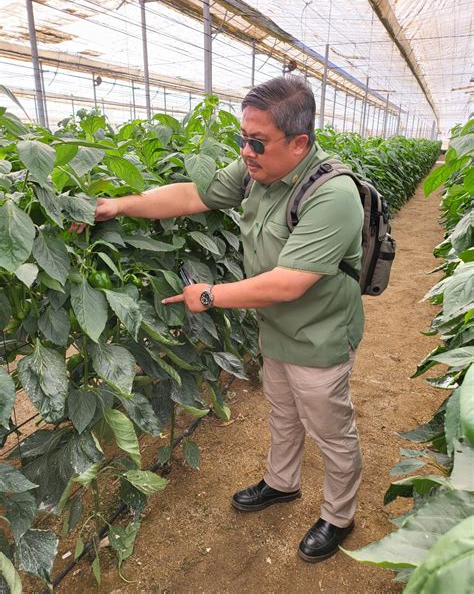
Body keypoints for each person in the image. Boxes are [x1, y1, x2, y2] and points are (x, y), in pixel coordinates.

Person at [74, 76, 364, 563]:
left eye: (258, 142)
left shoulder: (332, 195)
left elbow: (288, 282)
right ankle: (282, 483)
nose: (246, 152)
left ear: (300, 143)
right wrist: (119, 205)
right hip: (275, 329)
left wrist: (209, 295)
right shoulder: (257, 170)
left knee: (330, 428)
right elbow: (193, 194)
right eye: (242, 138)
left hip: (320, 335)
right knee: (284, 413)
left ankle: (338, 515)